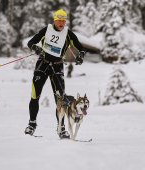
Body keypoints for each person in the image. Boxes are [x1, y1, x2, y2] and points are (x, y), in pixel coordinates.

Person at [24, 9, 86, 138]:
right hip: (43, 64)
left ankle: (61, 129)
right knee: (35, 95)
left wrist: (80, 56)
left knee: (60, 100)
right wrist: (36, 48)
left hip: (57, 67)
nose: (61, 23)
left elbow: (81, 48)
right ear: (54, 20)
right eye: (59, 20)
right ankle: (32, 124)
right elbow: (30, 42)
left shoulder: (68, 34)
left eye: (63, 20)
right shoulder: (46, 30)